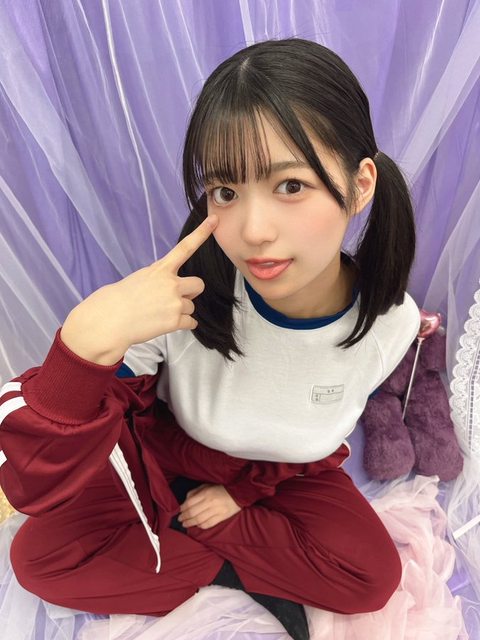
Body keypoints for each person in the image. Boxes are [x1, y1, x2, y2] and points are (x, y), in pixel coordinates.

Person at [0, 38, 420, 640]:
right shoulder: (185, 298)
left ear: (360, 186)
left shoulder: (390, 324)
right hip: (168, 458)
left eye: (290, 186)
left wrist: (239, 499)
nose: (253, 230)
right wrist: (85, 345)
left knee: (372, 580)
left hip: (279, 477)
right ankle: (230, 567)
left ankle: (193, 546)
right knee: (38, 560)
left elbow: (317, 442)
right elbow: (32, 482)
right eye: (226, 192)